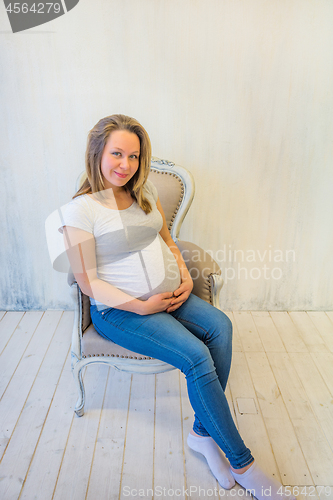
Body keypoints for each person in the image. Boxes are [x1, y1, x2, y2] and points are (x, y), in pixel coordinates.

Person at [60, 114, 295, 500]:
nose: (126, 164)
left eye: (134, 156)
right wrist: (141, 304)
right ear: (97, 153)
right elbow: (88, 282)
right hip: (121, 313)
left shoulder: (143, 191)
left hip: (171, 297)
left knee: (220, 327)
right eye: (117, 153)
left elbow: (168, 240)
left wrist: (184, 277)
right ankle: (244, 464)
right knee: (196, 356)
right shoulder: (81, 210)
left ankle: (201, 436)